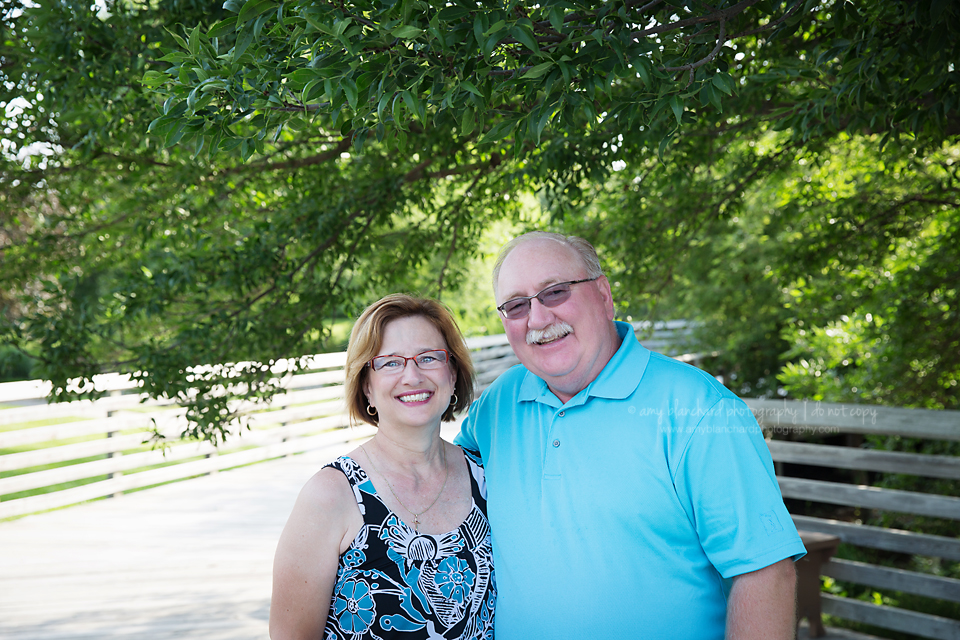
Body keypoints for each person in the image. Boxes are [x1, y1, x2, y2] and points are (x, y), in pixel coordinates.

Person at [455, 231, 806, 639]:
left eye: (555, 292)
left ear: (603, 294)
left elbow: (764, 573)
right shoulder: (499, 406)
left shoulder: (698, 409)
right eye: (516, 306)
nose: (537, 318)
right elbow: (432, 479)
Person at [270, 294, 496, 640]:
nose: (412, 375)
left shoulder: (488, 478)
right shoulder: (331, 495)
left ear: (453, 374)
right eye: (390, 363)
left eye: (429, 358)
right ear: (366, 387)